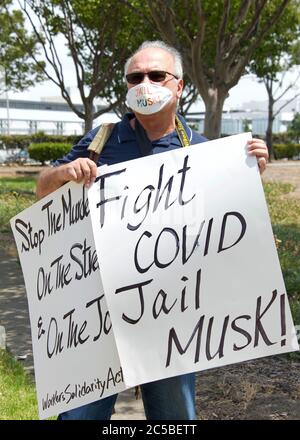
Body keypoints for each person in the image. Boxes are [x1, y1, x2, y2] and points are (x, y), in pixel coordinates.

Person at [36, 40, 269, 420]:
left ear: (178, 86)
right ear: (127, 87)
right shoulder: (101, 140)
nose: (145, 83)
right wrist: (64, 173)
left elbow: (225, 231)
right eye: (135, 77)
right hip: (96, 318)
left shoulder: (203, 151)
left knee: (176, 419)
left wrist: (247, 177)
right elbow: (42, 188)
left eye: (156, 75)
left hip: (170, 316)